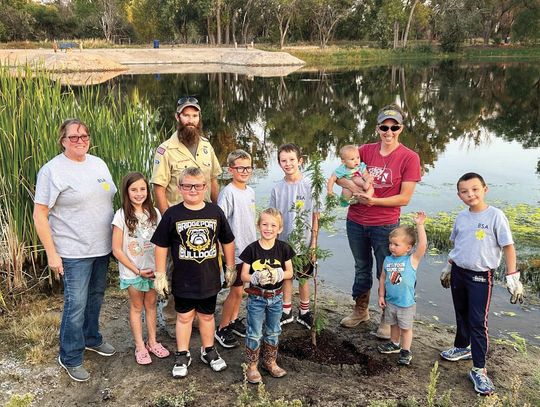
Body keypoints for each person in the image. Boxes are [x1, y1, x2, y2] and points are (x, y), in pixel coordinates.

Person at [33, 118, 117, 382]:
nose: (80, 141)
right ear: (63, 141)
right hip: (72, 251)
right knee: (76, 303)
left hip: (101, 247)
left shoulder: (98, 163)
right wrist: (52, 253)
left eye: (84, 136)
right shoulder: (52, 170)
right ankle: (69, 355)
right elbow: (40, 214)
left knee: (96, 296)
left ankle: (92, 338)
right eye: (73, 137)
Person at [338, 104, 421, 340]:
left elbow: (404, 198)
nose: (389, 131)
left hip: (385, 225)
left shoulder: (409, 157)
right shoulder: (364, 150)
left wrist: (374, 201)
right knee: (361, 266)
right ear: (377, 128)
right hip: (355, 221)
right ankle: (360, 310)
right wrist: (353, 187)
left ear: (401, 128)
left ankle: (387, 319)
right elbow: (340, 176)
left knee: (388, 270)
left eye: (394, 127)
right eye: (384, 126)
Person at [440, 172, 522, 395]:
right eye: (465, 191)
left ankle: (479, 369)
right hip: (458, 272)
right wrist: (449, 266)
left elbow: (508, 247)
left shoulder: (496, 216)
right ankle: (462, 347)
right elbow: (457, 244)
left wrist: (512, 275)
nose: (470, 194)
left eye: (475, 189)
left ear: (485, 189)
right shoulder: (461, 217)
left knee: (478, 321)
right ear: (459, 195)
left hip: (480, 277)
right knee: (461, 313)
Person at [151, 167, 236, 378]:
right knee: (184, 317)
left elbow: (227, 240)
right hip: (183, 279)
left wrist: (230, 266)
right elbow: (160, 245)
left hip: (209, 278)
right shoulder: (172, 214)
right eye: (187, 186)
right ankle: (182, 353)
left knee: (207, 317)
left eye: (197, 186)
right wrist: (160, 274)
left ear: (205, 187)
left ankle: (208, 351)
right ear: (180, 188)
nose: (193, 190)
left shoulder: (215, 212)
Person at [151, 96, 222, 337]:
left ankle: (195, 315)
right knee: (176, 270)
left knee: (201, 265)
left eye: (195, 115)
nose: (190, 120)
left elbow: (213, 179)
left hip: (204, 219)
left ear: (199, 118)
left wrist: (216, 210)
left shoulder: (206, 146)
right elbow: (159, 187)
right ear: (177, 117)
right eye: (186, 115)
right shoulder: (165, 149)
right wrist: (167, 218)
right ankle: (172, 318)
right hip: (178, 221)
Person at [111, 172, 170, 365]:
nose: (139, 193)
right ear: (126, 192)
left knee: (151, 305)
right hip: (133, 272)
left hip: (153, 270)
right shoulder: (121, 215)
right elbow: (117, 249)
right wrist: (136, 270)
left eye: (142, 189)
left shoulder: (154, 213)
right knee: (137, 307)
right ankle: (139, 345)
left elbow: (163, 243)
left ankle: (152, 341)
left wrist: (160, 270)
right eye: (134, 190)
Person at [240, 208, 294, 384]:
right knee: (254, 332)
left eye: (273, 225)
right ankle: (252, 366)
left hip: (276, 297)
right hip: (257, 297)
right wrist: (254, 277)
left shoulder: (284, 248)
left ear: (280, 228)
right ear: (258, 226)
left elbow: (290, 273)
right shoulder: (251, 249)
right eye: (264, 224)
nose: (268, 228)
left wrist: (279, 274)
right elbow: (243, 276)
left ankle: (270, 361)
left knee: (273, 331)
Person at [269, 143, 319, 329]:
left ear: (300, 161)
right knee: (286, 277)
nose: (288, 163)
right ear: (279, 163)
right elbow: (273, 215)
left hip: (304, 242)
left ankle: (304, 312)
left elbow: (316, 215)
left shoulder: (309, 186)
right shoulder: (277, 188)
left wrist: (313, 242)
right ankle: (287, 310)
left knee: (304, 277)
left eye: (292, 160)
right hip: (283, 243)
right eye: (283, 160)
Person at [214, 150, 257, 349]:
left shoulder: (250, 191)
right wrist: (225, 255)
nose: (244, 171)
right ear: (231, 169)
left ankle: (232, 321)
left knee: (241, 291)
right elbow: (221, 224)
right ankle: (222, 328)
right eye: (240, 168)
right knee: (236, 291)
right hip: (235, 251)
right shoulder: (228, 192)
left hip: (249, 250)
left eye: (248, 167)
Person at [377, 212, 427, 366]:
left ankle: (406, 351)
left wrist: (420, 225)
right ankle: (394, 343)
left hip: (405, 303)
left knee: (406, 328)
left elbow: (423, 245)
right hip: (391, 301)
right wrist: (381, 296)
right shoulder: (388, 259)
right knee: (393, 325)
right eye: (390, 243)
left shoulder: (411, 260)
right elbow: (383, 278)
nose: (392, 247)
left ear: (408, 247)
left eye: (396, 244)